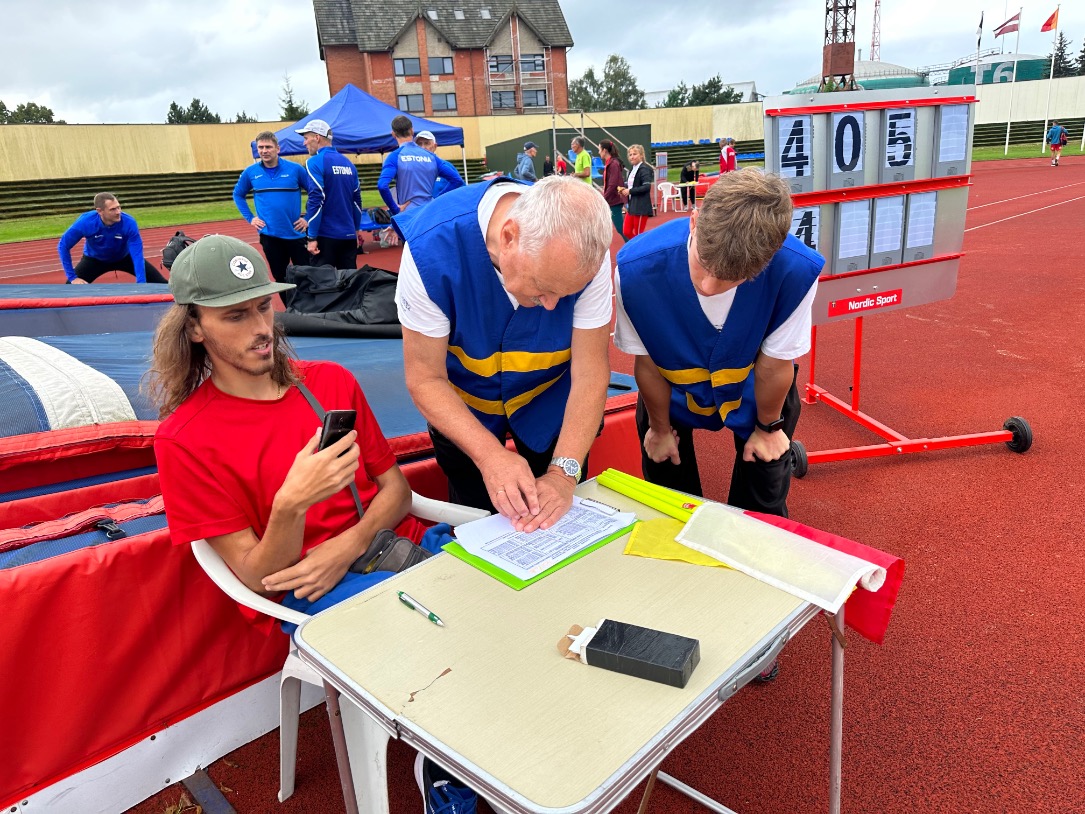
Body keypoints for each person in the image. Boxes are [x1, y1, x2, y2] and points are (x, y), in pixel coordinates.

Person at [150, 234, 431, 630]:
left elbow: (398, 492)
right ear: (195, 327)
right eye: (236, 316)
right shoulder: (183, 440)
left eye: (264, 306)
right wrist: (291, 505)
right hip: (318, 594)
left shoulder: (331, 381)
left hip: (399, 547)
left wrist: (348, 545)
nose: (262, 328)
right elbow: (257, 578)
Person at [394, 176, 614, 531]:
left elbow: (590, 371)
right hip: (465, 408)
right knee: (475, 521)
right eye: (543, 288)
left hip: (551, 405)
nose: (552, 306)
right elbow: (424, 377)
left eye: (565, 294)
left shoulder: (586, 254)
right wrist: (489, 456)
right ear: (509, 237)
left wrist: (564, 472)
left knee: (558, 517)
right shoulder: (428, 251)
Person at [614, 169, 822, 521]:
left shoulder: (794, 270)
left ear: (770, 257)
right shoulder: (636, 270)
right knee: (665, 493)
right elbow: (647, 363)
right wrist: (660, 429)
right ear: (694, 221)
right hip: (670, 381)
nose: (709, 286)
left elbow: (773, 367)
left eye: (731, 278)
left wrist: (768, 429)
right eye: (704, 262)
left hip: (757, 383)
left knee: (764, 496)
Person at [232, 130, 311, 287]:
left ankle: (306, 303)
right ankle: (289, 303)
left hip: (296, 234)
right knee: (280, 278)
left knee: (306, 276)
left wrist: (307, 218)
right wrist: (251, 218)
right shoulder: (250, 172)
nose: (264, 151)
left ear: (277, 149)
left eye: (268, 147)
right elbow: (238, 195)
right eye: (260, 147)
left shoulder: (295, 169)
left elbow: (315, 193)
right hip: (270, 236)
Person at [57, 193, 167, 284]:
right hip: (94, 260)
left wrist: (141, 282)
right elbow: (63, 245)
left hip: (125, 258)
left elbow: (137, 254)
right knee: (70, 287)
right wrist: (72, 278)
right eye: (113, 209)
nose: (118, 212)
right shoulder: (85, 223)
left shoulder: (129, 223)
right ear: (100, 211)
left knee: (161, 284)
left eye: (118, 207)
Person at [298, 119, 364, 270]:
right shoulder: (348, 164)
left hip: (325, 236)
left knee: (322, 282)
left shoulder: (314, 162)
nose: (304, 143)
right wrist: (355, 231)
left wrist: (312, 237)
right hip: (348, 236)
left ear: (317, 137)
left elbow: (316, 199)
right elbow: (356, 202)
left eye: (306, 138)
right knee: (349, 281)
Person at [378, 115, 463, 215]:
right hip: (429, 213)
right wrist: (436, 200)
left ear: (393, 134)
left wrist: (395, 209)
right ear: (412, 131)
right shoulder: (432, 157)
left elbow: (382, 185)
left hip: (408, 215)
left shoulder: (394, 157)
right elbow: (457, 180)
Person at [415, 130, 464, 199]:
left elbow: (460, 188)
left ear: (435, 146)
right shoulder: (412, 167)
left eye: (427, 143)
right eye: (419, 144)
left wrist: (438, 199)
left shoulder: (446, 166)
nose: (423, 147)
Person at [618, 143, 654, 240]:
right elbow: (631, 184)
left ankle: (640, 246)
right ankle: (639, 245)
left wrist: (630, 191)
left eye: (635, 154)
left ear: (641, 155)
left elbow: (646, 187)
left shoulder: (644, 169)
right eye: (630, 155)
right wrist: (624, 188)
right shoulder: (632, 169)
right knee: (626, 231)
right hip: (632, 205)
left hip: (641, 206)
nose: (632, 157)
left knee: (638, 234)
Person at [598, 139, 626, 238]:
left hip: (614, 200)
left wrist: (604, 198)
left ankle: (633, 246)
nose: (598, 152)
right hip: (612, 199)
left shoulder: (613, 164)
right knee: (620, 228)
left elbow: (612, 184)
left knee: (621, 228)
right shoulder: (610, 163)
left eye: (599, 149)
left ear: (604, 150)